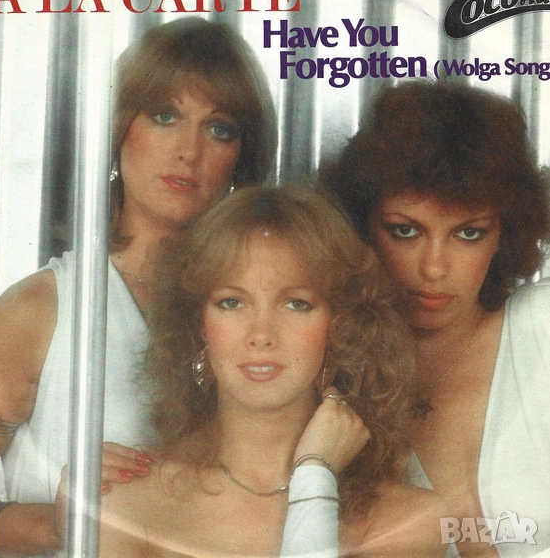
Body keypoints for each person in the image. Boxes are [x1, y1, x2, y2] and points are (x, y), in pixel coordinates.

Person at [0, 16, 276, 557]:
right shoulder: (42, 309)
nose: (189, 150)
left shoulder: (269, 312)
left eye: (219, 128)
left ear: (242, 155)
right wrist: (54, 526)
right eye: (165, 116)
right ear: (117, 129)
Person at [96, 185, 447, 558]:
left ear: (341, 326)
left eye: (296, 304)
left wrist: (315, 475)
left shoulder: (408, 519)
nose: (261, 334)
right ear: (200, 325)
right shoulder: (129, 504)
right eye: (232, 302)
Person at [309, 81, 550, 558]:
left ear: (505, 234)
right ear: (362, 228)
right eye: (405, 231)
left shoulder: (543, 329)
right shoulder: (328, 373)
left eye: (468, 233)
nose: (434, 268)